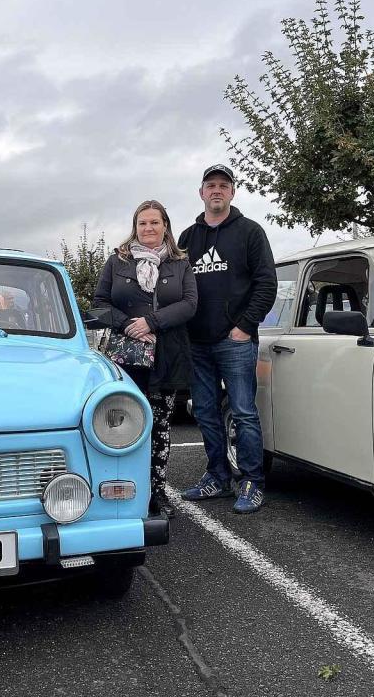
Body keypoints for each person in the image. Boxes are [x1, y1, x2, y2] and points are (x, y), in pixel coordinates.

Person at [179, 164, 277, 515]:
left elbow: (267, 284)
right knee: (205, 412)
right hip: (197, 343)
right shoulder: (188, 238)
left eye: (224, 185)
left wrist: (245, 326)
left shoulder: (250, 232)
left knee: (243, 411)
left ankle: (252, 480)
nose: (217, 190)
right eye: (211, 185)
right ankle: (217, 477)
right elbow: (176, 286)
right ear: (201, 193)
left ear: (233, 192)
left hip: (235, 341)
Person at [92, 200, 197, 518]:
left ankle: (157, 493)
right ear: (134, 227)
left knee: (160, 427)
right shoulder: (117, 261)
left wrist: (153, 321)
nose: (149, 228)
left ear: (165, 225)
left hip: (167, 357)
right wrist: (127, 324)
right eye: (142, 223)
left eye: (155, 222)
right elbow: (99, 302)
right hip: (126, 359)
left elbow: (191, 303)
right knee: (120, 424)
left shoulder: (180, 264)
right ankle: (119, 491)